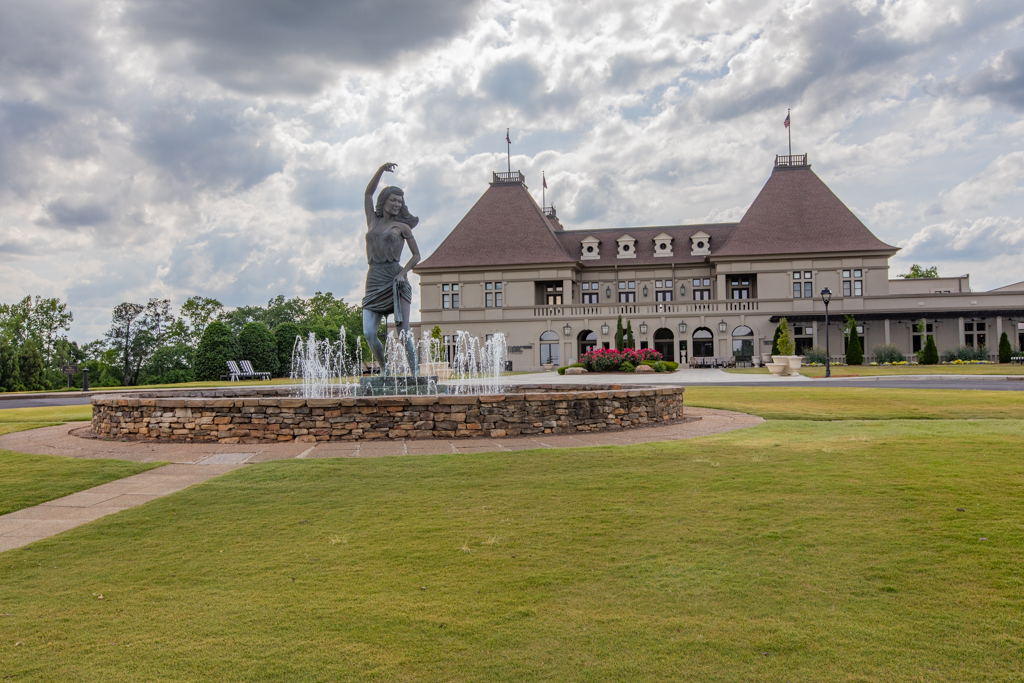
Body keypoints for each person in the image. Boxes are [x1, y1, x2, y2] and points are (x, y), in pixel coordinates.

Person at [362, 162, 421, 375]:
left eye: (400, 201)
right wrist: (380, 170)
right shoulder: (373, 221)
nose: (397, 204)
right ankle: (385, 369)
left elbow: (416, 256)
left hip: (396, 279)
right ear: (384, 201)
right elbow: (368, 193)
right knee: (369, 333)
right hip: (374, 279)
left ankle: (415, 374)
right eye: (394, 200)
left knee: (403, 333)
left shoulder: (402, 227)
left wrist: (402, 274)